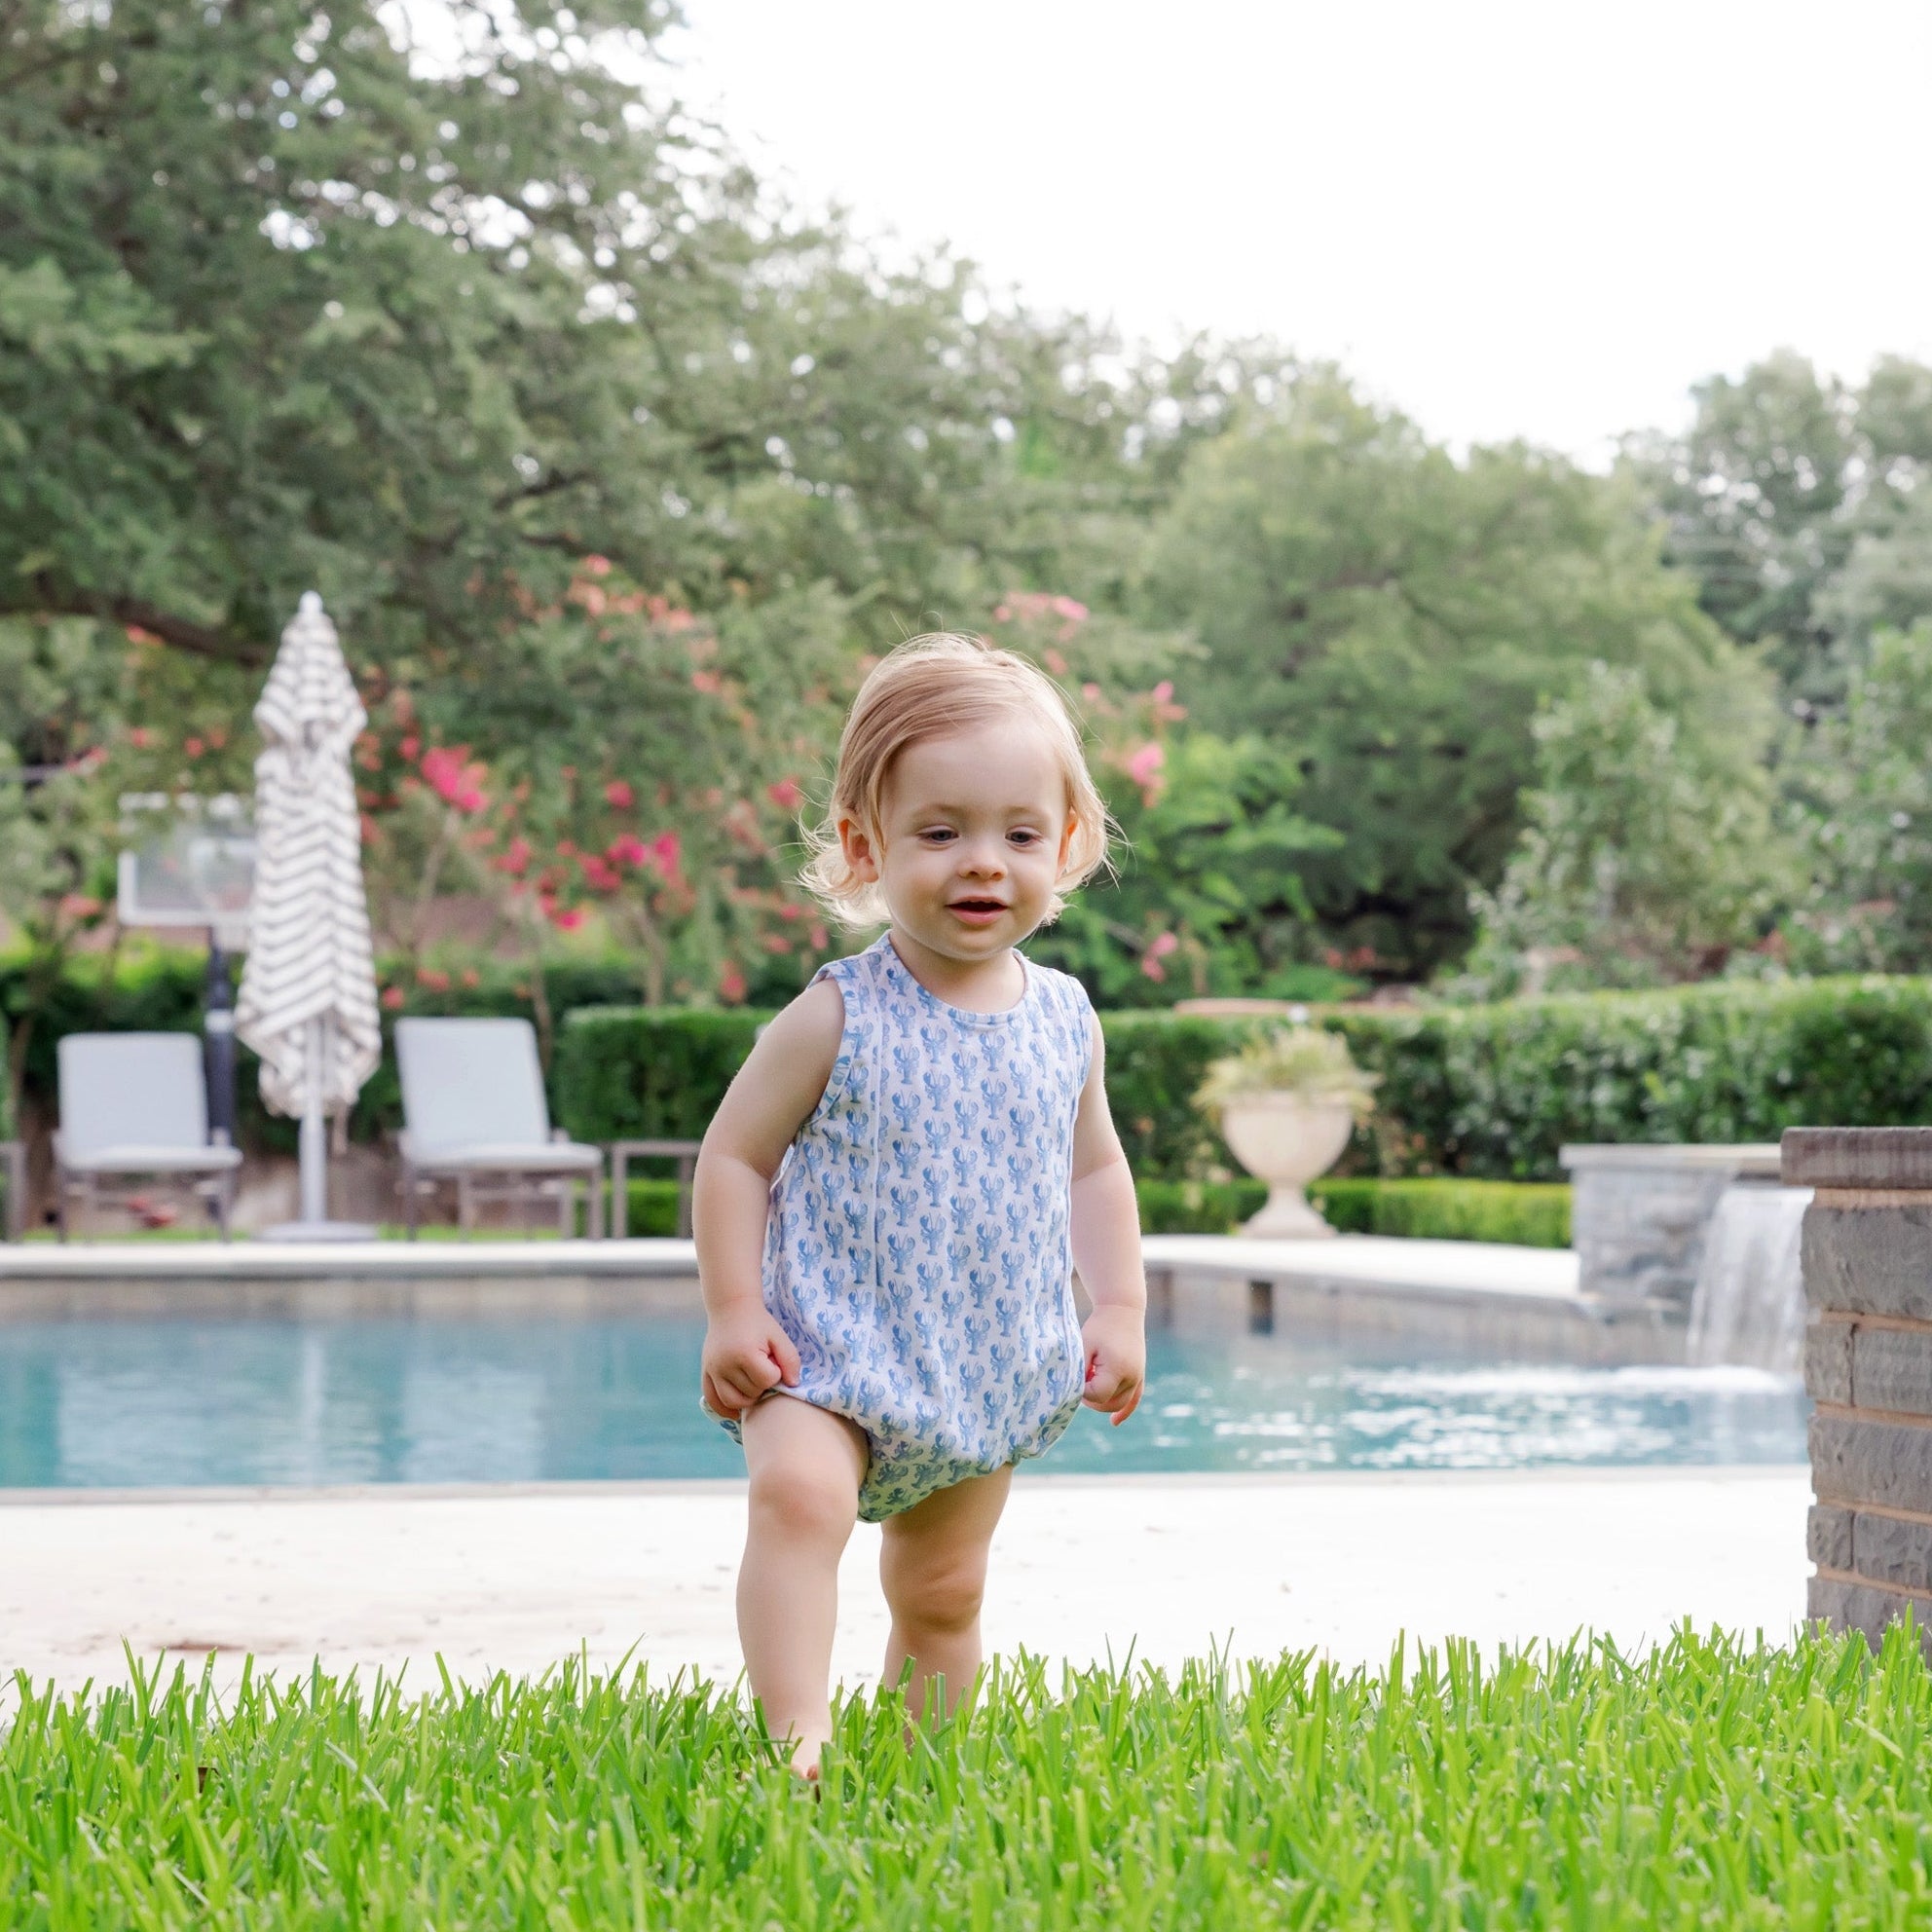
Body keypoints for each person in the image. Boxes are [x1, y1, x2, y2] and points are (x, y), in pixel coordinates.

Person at [693, 631, 1147, 1776]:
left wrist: (1121, 1307)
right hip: (831, 1348)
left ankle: (916, 1764)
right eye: (939, 832)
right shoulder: (836, 1014)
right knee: (800, 1498)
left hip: (980, 1361)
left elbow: (1092, 1168)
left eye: (1018, 834)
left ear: (1070, 845)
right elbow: (734, 1157)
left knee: (943, 1589)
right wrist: (733, 1308)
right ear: (864, 847)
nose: (981, 861)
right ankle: (798, 1739)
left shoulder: (1066, 1020)